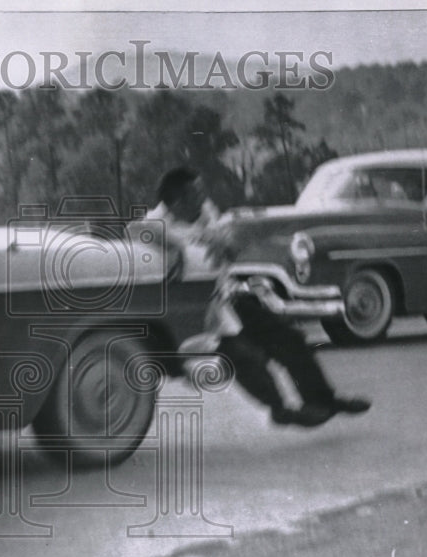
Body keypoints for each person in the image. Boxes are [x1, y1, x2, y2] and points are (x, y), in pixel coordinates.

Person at [150, 166, 371, 427]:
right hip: (199, 313)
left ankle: (322, 399)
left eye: (201, 191)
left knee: (288, 339)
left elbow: (228, 244)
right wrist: (172, 246)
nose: (204, 198)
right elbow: (134, 229)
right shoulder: (157, 223)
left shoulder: (204, 210)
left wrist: (225, 243)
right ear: (177, 203)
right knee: (244, 356)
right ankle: (280, 410)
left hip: (226, 296)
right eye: (195, 194)